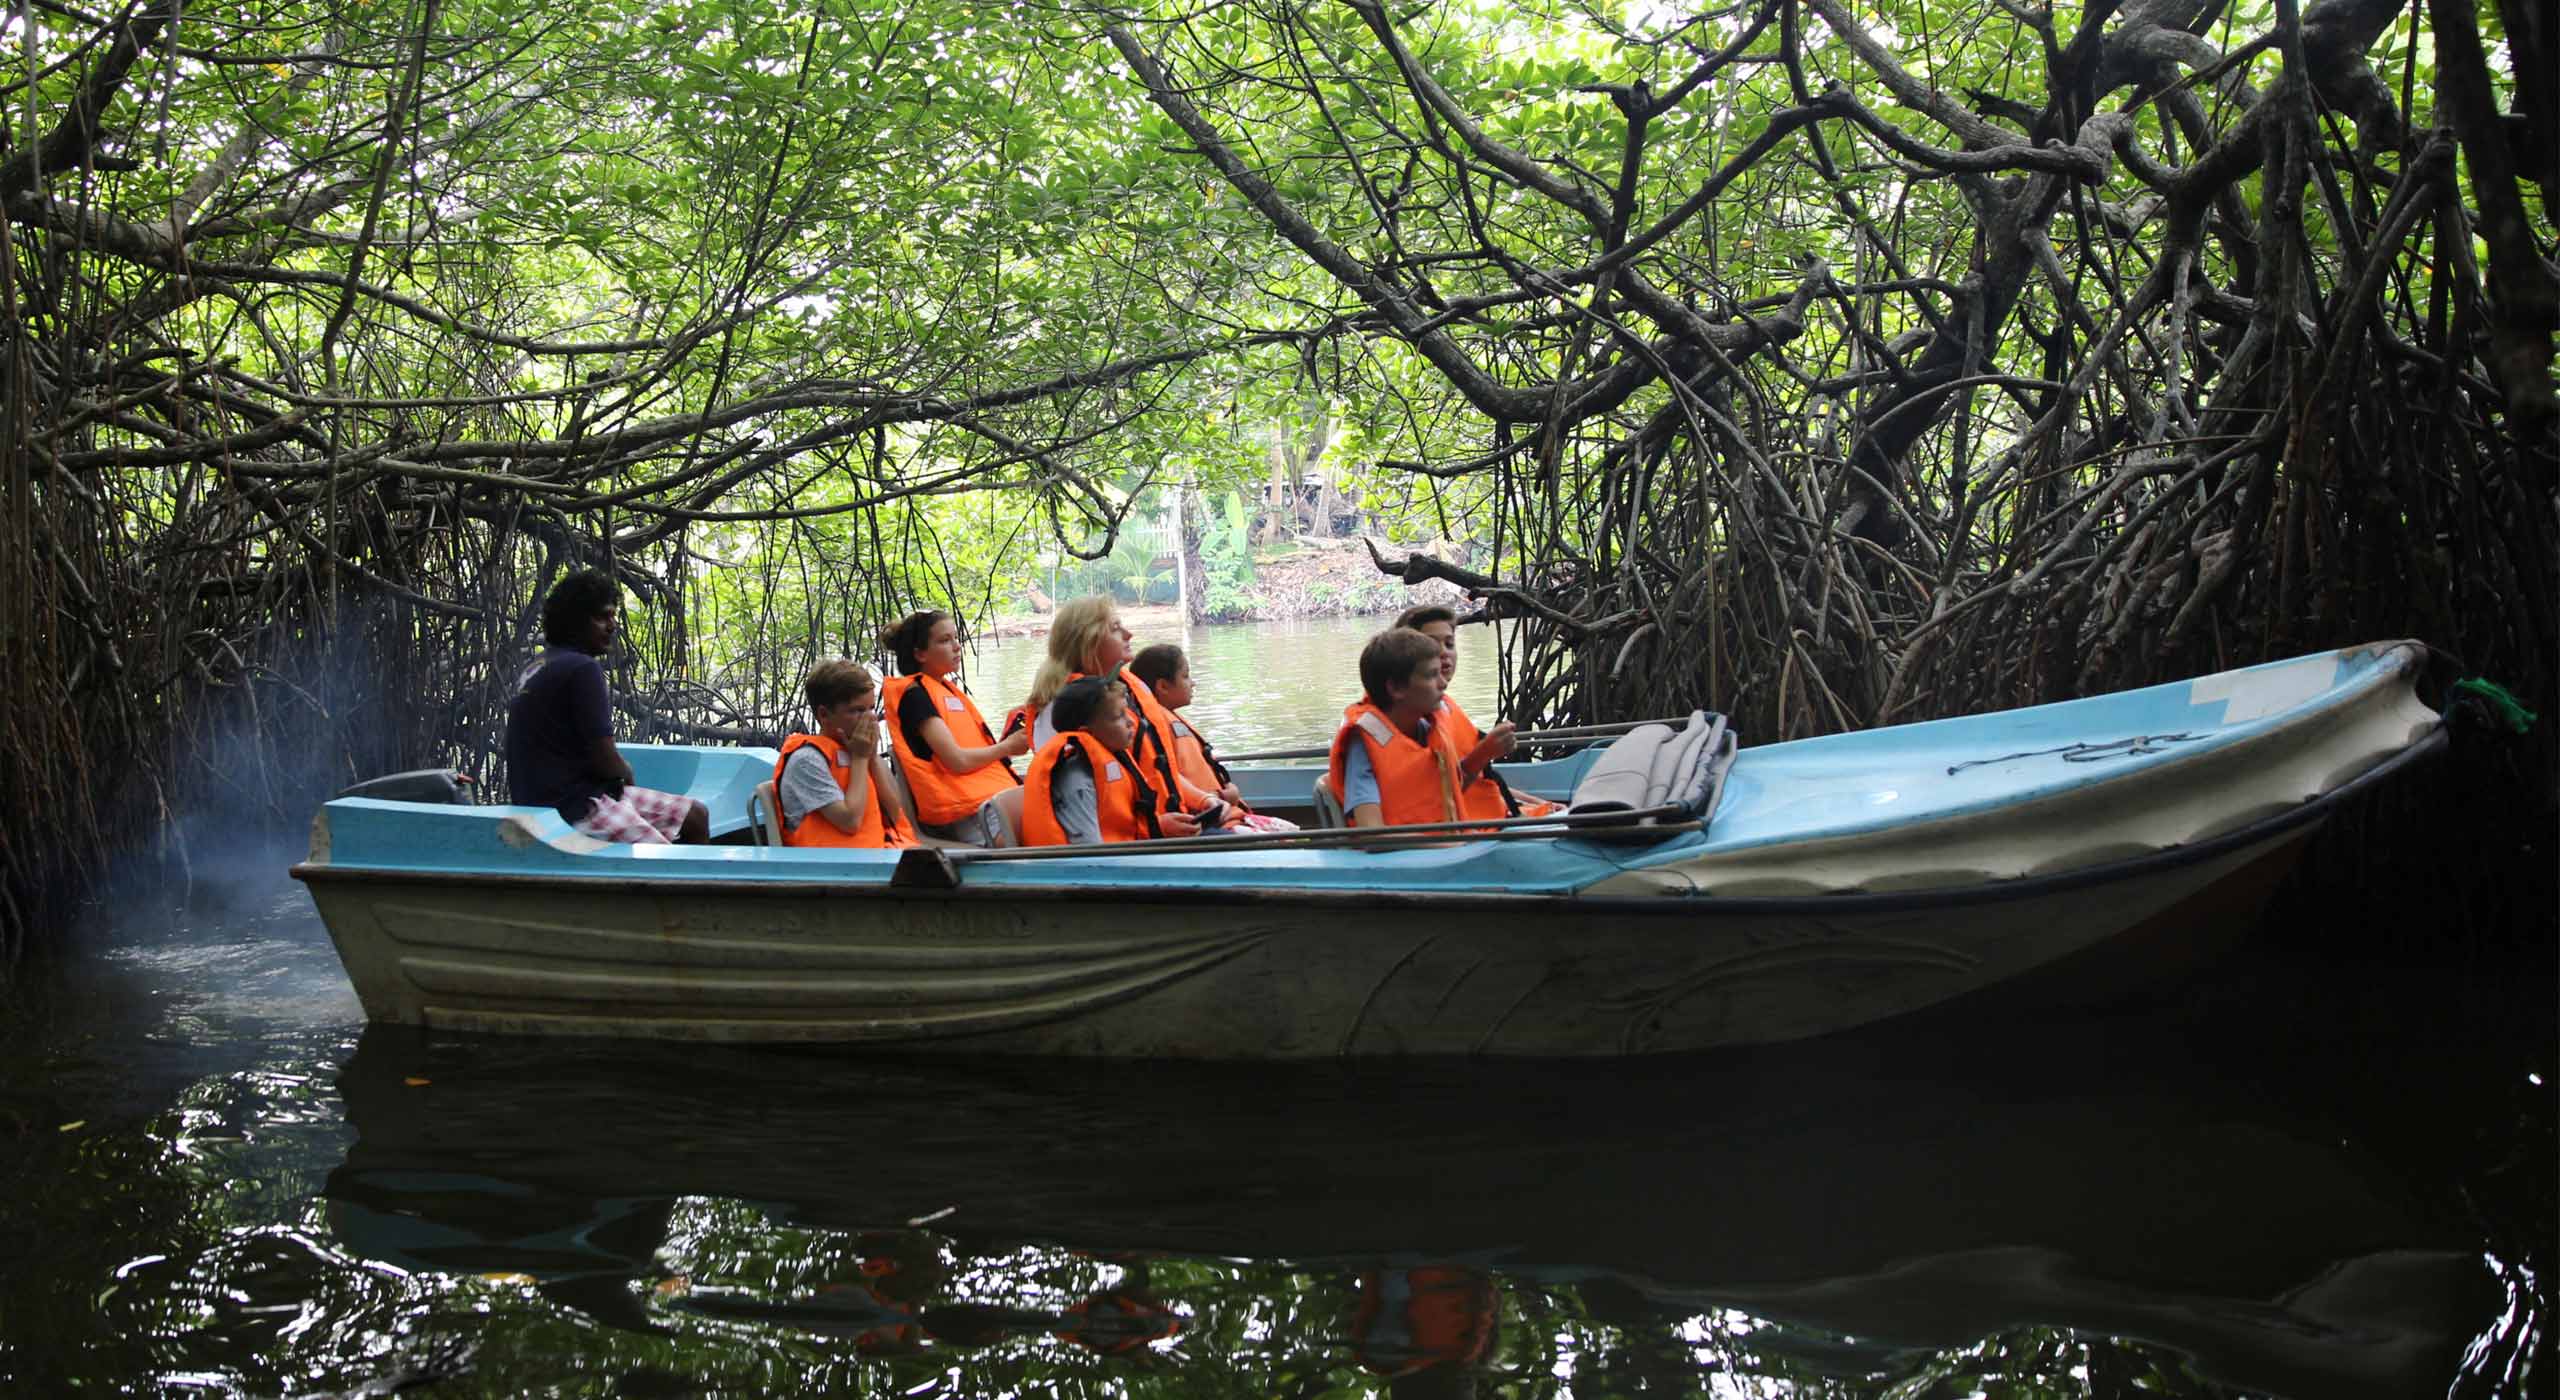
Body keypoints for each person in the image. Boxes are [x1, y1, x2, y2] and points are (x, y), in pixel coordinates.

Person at [505, 569, 709, 845]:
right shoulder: (582, 669)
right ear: (575, 622)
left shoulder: (538, 664)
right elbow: (605, 759)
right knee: (663, 857)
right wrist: (625, 773)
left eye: (613, 616)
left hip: (563, 797)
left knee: (695, 815)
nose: (613, 626)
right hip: (573, 807)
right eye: (602, 617)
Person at [1018, 596, 1221, 822]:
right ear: (1089, 642)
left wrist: (1204, 800)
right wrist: (1157, 825)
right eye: (1115, 628)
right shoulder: (1065, 709)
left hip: (1162, 828)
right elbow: (1075, 802)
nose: (1128, 634)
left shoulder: (1124, 691)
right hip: (1127, 846)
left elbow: (1155, 769)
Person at [1327, 627, 1512, 829]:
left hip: (1448, 849)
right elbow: (1372, 832)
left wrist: (1485, 753)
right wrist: (1443, 845)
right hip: (1411, 858)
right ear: (1396, 688)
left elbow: (1449, 792)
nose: (1443, 683)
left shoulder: (1425, 728)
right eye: (1432, 675)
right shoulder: (1364, 745)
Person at [1392, 603, 1559, 818]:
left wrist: (1542, 803)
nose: (1443, 652)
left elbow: (1482, 779)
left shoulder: (1443, 707)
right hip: (1469, 835)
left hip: (1493, 816)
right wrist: (1485, 753)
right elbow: (1432, 801)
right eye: (1431, 645)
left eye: (1449, 643)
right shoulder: (1408, 719)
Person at [877, 611, 1027, 847]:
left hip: (988, 800)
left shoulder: (943, 690)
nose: (957, 646)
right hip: (966, 813)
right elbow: (956, 760)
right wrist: (1007, 746)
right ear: (920, 654)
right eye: (944, 640)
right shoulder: (915, 696)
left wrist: (1007, 745)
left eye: (956, 638)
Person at [1128, 643, 1300, 834]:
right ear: (1163, 686)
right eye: (1185, 676)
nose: (1193, 683)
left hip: (1229, 814)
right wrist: (1220, 797)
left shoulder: (1166, 719)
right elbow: (1167, 781)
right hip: (1213, 821)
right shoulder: (1152, 729)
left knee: (1293, 832)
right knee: (1292, 840)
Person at [1020, 676, 1207, 846]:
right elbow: (1091, 856)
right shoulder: (1078, 783)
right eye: (1119, 716)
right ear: (1087, 732)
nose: (1131, 722)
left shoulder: (1115, 761)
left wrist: (1159, 827)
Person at [773, 660, 917, 849]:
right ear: (824, 715)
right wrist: (860, 759)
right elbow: (850, 821)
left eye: (871, 708)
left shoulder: (858, 749)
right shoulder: (807, 761)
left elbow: (894, 812)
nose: (870, 718)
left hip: (876, 855)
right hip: (834, 868)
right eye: (857, 710)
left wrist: (872, 757)